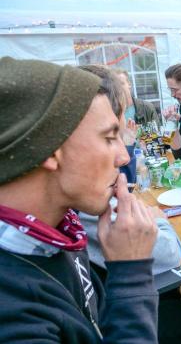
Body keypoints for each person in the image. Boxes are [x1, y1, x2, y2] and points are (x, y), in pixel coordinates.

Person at [0, 57, 159, 342]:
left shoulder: (61, 231)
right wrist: (131, 275)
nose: (123, 157)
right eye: (110, 137)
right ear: (49, 149)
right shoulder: (12, 314)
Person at [76, 66, 181, 276]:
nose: (124, 155)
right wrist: (158, 219)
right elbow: (168, 253)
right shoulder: (85, 202)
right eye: (108, 137)